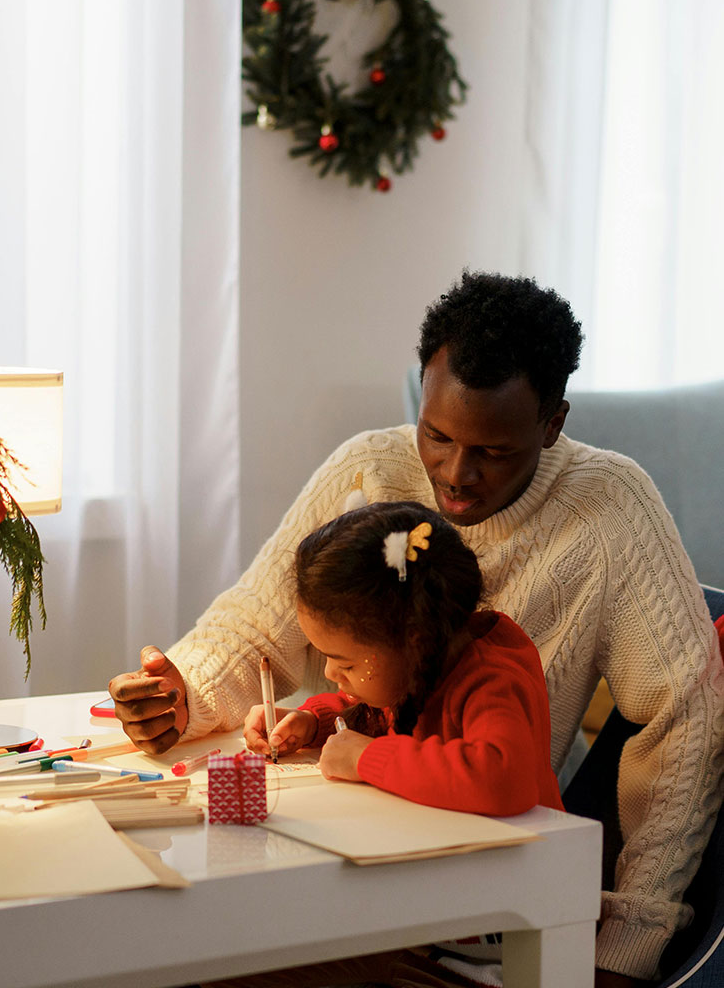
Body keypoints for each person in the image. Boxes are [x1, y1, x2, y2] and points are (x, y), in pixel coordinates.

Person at [110, 271, 724, 987]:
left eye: (492, 451)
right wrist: (185, 690)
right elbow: (256, 626)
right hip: (352, 859)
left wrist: (624, 943)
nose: (455, 474)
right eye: (435, 434)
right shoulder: (369, 466)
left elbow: (687, 721)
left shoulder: (608, 510)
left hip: (475, 892)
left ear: (551, 422)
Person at [256, 500, 564, 818]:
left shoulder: (491, 681)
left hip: (519, 860)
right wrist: (312, 723)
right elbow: (375, 710)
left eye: (346, 664)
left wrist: (366, 757)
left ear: (414, 641)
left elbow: (504, 781)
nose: (331, 672)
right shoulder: (407, 666)